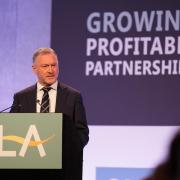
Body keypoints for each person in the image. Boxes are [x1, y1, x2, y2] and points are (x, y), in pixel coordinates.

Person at [10, 47, 89, 180]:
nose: (51, 70)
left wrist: (65, 152)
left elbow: (82, 133)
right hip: (28, 169)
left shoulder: (73, 96)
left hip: (63, 170)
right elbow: (11, 131)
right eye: (45, 66)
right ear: (34, 69)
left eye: (54, 65)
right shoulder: (21, 98)